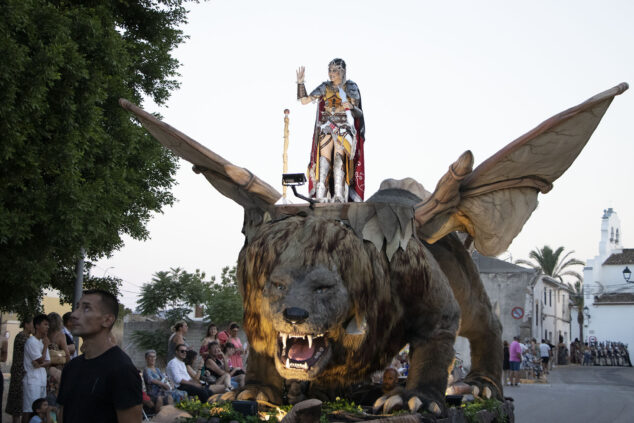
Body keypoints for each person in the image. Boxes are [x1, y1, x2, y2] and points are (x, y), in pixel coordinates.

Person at [57, 289, 142, 423]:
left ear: (107, 320)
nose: (74, 314)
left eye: (86, 309)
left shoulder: (122, 370)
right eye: (77, 307)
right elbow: (62, 414)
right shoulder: (71, 367)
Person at [296, 58, 365, 203]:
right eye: (330, 70)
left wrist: (351, 107)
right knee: (324, 160)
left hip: (344, 129)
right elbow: (304, 100)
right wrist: (301, 83)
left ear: (343, 70)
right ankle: (321, 194)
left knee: (339, 159)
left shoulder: (351, 87)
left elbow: (358, 113)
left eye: (335, 70)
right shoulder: (325, 86)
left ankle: (339, 193)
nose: (331, 73)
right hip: (326, 126)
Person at [5, 317, 33, 423]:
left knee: (23, 402)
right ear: (26, 324)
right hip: (19, 374)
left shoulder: (27, 337)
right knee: (17, 403)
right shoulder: (22, 337)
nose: (33, 326)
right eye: (31, 323)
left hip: (23, 373)